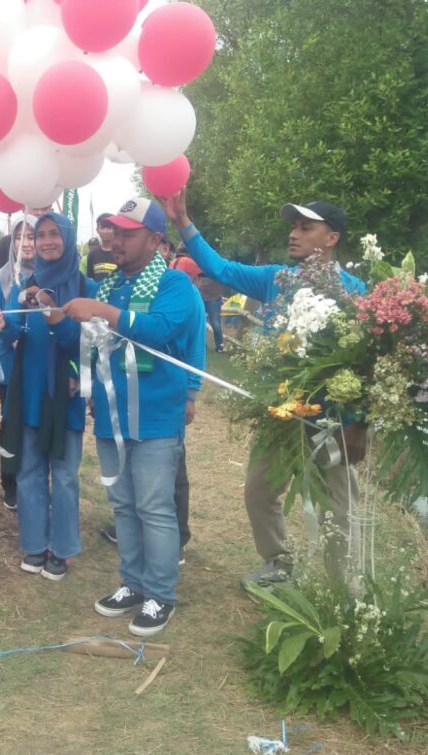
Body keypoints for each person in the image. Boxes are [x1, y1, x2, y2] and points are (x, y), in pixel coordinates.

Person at [164, 190, 364, 587]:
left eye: (306, 228)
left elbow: (365, 365)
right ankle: (277, 564)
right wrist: (183, 221)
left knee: (339, 508)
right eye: (294, 226)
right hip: (280, 414)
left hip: (333, 423)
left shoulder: (354, 292)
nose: (294, 234)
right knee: (259, 491)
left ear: (332, 238)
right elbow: (220, 268)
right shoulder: (276, 279)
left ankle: (345, 593)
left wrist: (360, 424)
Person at [63, 198, 205, 637]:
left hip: (157, 415)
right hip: (111, 414)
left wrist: (101, 311)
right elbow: (95, 343)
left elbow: (158, 330)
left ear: (155, 239)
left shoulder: (174, 284)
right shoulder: (110, 287)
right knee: (123, 505)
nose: (115, 239)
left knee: (154, 507)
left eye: (127, 233)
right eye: (114, 231)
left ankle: (160, 594)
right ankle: (133, 583)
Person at [0, 212, 95, 581]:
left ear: (68, 238)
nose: (47, 241)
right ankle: (34, 544)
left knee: (64, 475)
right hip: (30, 389)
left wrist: (52, 312)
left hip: (65, 392)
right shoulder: (26, 284)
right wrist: (3, 326)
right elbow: (19, 333)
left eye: (54, 234)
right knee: (29, 471)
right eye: (41, 235)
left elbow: (88, 344)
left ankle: (62, 548)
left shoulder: (86, 287)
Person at [0, 215, 37, 511]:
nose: (26, 243)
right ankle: (10, 483)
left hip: (41, 363)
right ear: (12, 242)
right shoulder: (1, 279)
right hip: (11, 363)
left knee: (36, 419)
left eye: (31, 236)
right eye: (20, 236)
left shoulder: (49, 275)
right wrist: (9, 336)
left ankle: (34, 476)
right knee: (12, 421)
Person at [0, 204, 57, 274]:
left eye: (44, 209)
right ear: (24, 210)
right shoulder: (7, 242)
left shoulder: (57, 243)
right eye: (35, 208)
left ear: (52, 211)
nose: (39, 213)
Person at [85, 212, 117, 280]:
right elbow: (90, 278)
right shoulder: (92, 254)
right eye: (102, 228)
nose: (105, 231)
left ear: (116, 229)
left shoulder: (121, 252)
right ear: (97, 230)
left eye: (109, 228)